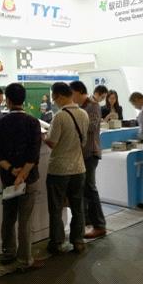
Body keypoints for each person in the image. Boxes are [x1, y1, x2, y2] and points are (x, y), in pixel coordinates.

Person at [0, 83, 44, 271]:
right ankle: (25, 259)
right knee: (25, 220)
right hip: (29, 179)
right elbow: (34, 155)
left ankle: (8, 253)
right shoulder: (33, 122)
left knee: (8, 217)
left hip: (8, 179)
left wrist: (12, 170)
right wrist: (22, 174)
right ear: (24, 100)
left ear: (8, 100)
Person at [45, 82, 89, 254]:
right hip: (79, 168)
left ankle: (57, 242)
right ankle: (78, 241)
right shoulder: (83, 114)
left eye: (54, 98)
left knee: (56, 208)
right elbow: (83, 141)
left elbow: (52, 142)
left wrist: (43, 138)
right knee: (77, 206)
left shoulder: (60, 116)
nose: (54, 101)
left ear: (60, 96)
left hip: (59, 169)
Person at [70, 81, 107, 239]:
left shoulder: (92, 105)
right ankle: (88, 221)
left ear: (79, 91)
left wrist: (71, 124)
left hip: (90, 153)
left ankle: (99, 225)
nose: (71, 97)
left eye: (71, 93)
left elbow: (91, 127)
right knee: (84, 188)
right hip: (82, 153)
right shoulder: (80, 106)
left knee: (90, 189)